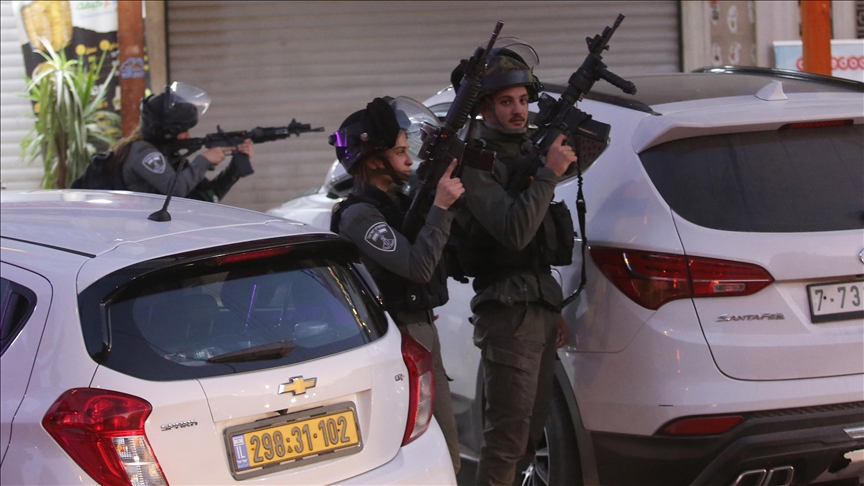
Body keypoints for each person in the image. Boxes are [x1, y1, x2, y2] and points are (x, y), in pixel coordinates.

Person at [450, 39, 577, 486]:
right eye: (506, 102)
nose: (518, 110)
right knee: (506, 439)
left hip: (536, 306)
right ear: (484, 108)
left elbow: (536, 245)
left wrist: (551, 307)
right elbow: (514, 231)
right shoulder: (475, 162)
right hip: (506, 313)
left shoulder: (525, 151)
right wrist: (548, 174)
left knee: (528, 438)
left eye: (523, 100)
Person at [328, 96, 463, 474]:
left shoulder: (399, 201)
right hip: (398, 338)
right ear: (374, 161)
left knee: (447, 446)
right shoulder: (360, 215)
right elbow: (417, 267)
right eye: (400, 152)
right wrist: (441, 208)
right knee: (425, 453)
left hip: (421, 328)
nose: (409, 160)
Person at [104, 82, 253, 201]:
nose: (188, 136)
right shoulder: (144, 153)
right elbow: (175, 190)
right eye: (183, 131)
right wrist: (204, 160)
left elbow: (208, 197)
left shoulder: (167, 155)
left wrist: (235, 167)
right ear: (166, 133)